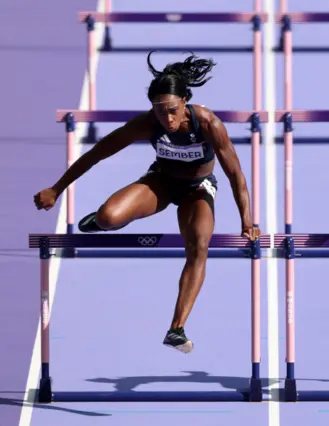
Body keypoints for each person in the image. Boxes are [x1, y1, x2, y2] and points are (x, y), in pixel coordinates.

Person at [33, 51, 261, 354]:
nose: (166, 119)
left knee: (199, 246)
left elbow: (236, 174)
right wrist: (56, 188)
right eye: (159, 111)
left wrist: (247, 220)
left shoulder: (208, 124)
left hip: (198, 190)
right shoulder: (147, 123)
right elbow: (98, 152)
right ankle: (99, 222)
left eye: (171, 110)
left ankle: (176, 328)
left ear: (184, 102)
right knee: (108, 217)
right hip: (162, 182)